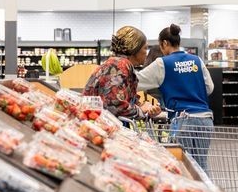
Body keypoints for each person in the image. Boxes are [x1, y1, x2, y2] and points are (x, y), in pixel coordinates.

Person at [138, 24, 214, 169]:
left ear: (165, 43)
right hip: (205, 120)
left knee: (183, 166)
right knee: (201, 166)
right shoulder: (197, 60)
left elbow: (137, 81)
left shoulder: (162, 63)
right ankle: (207, 191)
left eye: (161, 46)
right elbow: (209, 88)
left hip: (183, 121)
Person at [84, 26, 161, 119]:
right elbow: (115, 105)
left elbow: (124, 98)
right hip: (96, 126)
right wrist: (141, 110)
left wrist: (144, 107)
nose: (146, 53)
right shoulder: (118, 66)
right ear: (135, 49)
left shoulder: (119, 64)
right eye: (145, 48)